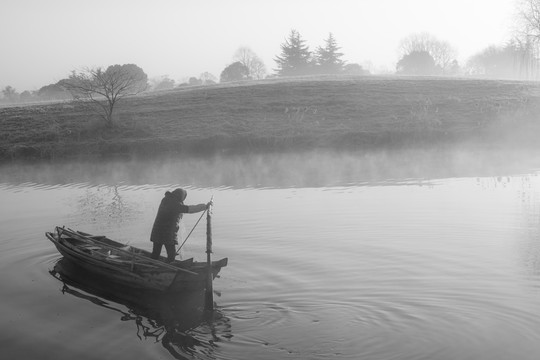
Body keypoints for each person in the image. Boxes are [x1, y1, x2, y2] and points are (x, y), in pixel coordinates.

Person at [150, 188, 211, 262]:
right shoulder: (174, 204)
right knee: (171, 255)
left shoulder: (166, 199)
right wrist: (204, 206)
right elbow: (189, 209)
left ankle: (152, 266)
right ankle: (167, 270)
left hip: (157, 231)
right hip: (167, 234)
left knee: (155, 253)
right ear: (180, 196)